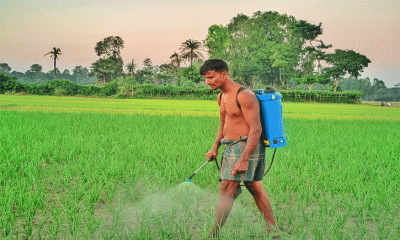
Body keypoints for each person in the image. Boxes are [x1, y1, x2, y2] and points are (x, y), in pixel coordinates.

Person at [199, 59, 276, 238]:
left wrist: (243, 159)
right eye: (205, 78)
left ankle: (213, 234)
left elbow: (256, 129)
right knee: (253, 186)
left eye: (211, 77)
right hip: (230, 145)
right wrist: (215, 148)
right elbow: (223, 124)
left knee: (226, 188)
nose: (208, 81)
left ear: (224, 74)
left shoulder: (244, 95)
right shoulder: (221, 96)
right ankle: (274, 230)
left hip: (246, 145)